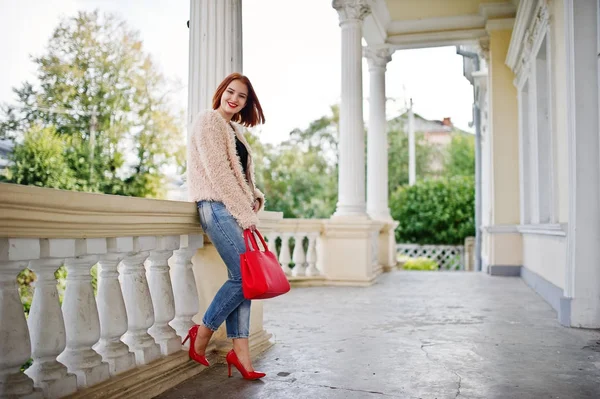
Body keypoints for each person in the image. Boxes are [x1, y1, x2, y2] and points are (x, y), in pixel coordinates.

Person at [183, 72, 266, 380]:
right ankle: (202, 333)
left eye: (241, 96)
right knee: (245, 276)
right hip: (215, 207)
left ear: (247, 102)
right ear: (221, 92)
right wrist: (246, 215)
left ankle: (240, 355)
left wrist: (254, 195)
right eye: (231, 91)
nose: (234, 98)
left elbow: (239, 174)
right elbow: (218, 173)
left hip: (232, 207)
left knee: (243, 279)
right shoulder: (208, 121)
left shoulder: (234, 129)